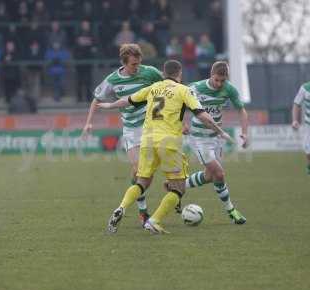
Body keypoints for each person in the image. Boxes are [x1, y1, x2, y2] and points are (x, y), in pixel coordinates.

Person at [99, 60, 233, 234]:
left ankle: (122, 207)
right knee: (178, 188)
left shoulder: (154, 88)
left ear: (164, 73)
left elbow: (128, 100)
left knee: (142, 182)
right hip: (168, 142)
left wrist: (110, 105)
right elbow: (202, 116)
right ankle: (153, 221)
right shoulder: (184, 90)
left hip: (146, 141)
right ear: (180, 74)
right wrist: (220, 131)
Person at [82, 44, 163, 225]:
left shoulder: (150, 73)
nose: (137, 67)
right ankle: (143, 211)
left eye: (139, 63)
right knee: (139, 170)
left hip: (152, 126)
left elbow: (168, 88)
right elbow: (96, 99)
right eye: (133, 64)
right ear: (124, 63)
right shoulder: (112, 80)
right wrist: (88, 122)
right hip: (132, 130)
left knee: (157, 169)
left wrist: (164, 113)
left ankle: (175, 195)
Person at [184, 61, 248, 224]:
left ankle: (177, 185)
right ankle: (232, 212)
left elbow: (241, 110)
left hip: (216, 137)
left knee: (210, 176)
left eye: (223, 80)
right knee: (219, 173)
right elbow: (179, 106)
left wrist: (245, 133)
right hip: (198, 138)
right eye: (216, 80)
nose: (219, 84)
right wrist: (182, 123)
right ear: (211, 75)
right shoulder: (195, 88)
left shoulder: (229, 89)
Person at [291, 81, 310, 174]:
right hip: (308, 125)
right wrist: (295, 120)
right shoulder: (305, 88)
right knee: (308, 149)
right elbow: (296, 104)